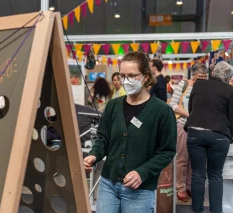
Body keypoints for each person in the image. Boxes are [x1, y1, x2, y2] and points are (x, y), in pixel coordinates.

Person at [84, 52, 177, 213]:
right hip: (108, 184)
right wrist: (94, 154)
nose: (126, 81)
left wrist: (142, 172)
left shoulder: (162, 111)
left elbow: (166, 152)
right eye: (122, 75)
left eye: (132, 76)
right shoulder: (113, 106)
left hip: (140, 189)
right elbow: (102, 138)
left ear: (146, 77)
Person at [185, 61, 233, 213]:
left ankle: (197, 210)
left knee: (197, 174)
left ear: (213, 73)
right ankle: (216, 211)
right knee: (215, 175)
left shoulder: (198, 85)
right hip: (219, 135)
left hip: (195, 132)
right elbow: (232, 117)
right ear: (228, 77)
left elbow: (191, 108)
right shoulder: (229, 90)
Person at [169, 63, 208, 202]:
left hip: (200, 128)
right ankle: (180, 187)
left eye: (204, 77)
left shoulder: (206, 87)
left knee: (195, 160)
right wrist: (189, 115)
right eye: (199, 77)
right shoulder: (184, 85)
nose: (202, 79)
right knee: (182, 158)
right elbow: (172, 105)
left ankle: (191, 187)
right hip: (183, 125)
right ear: (193, 75)